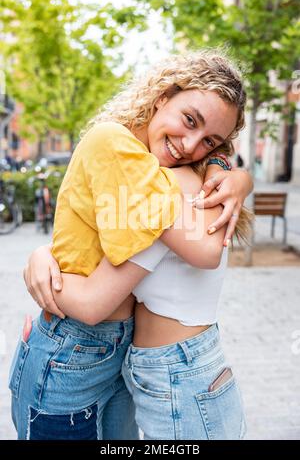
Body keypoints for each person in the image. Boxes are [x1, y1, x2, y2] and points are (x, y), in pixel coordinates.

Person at [14, 49, 252, 440]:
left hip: (135, 359)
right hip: (78, 352)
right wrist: (39, 259)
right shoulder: (126, 156)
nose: (190, 145)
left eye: (209, 141)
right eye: (188, 120)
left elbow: (205, 250)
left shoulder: (165, 174)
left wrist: (229, 170)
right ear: (162, 97)